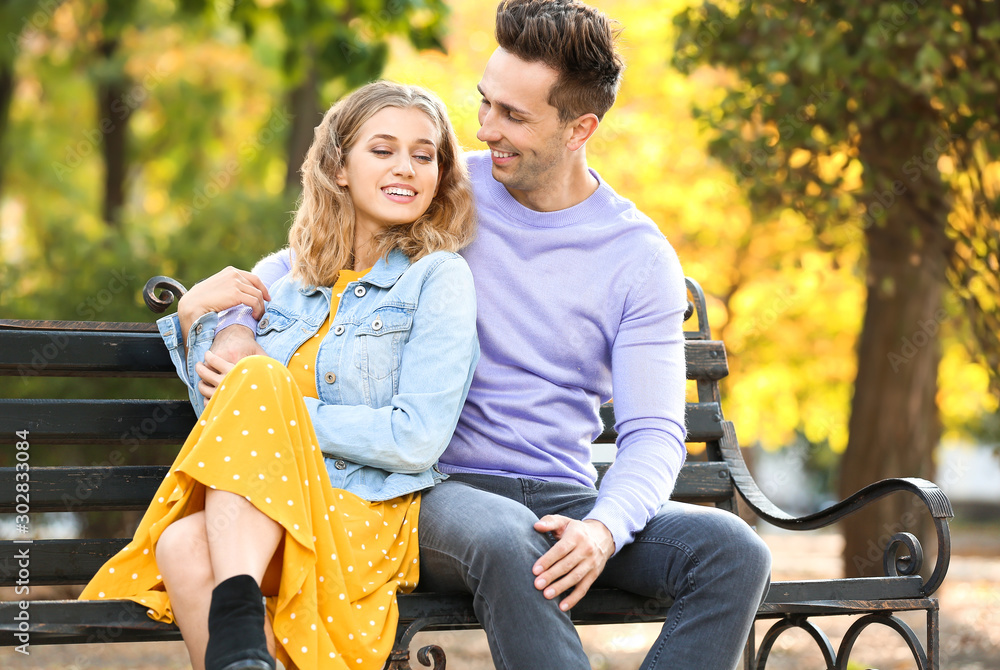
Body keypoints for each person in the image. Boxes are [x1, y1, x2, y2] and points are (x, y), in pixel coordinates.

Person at [207, 1, 773, 668]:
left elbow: (654, 434)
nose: (483, 129)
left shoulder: (637, 256)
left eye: (513, 116)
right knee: (508, 537)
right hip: (432, 488)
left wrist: (600, 529)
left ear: (578, 127)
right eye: (485, 104)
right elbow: (299, 270)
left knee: (735, 551)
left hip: (563, 496)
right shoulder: (444, 192)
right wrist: (226, 320)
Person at [79, 80, 480, 670]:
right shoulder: (279, 278)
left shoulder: (437, 278)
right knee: (182, 543)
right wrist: (194, 320)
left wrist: (277, 412)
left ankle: (235, 618)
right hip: (262, 511)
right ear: (339, 167)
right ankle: (240, 635)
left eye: (424, 155)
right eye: (383, 149)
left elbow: (416, 438)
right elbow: (224, 432)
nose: (407, 167)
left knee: (262, 386)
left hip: (365, 512)